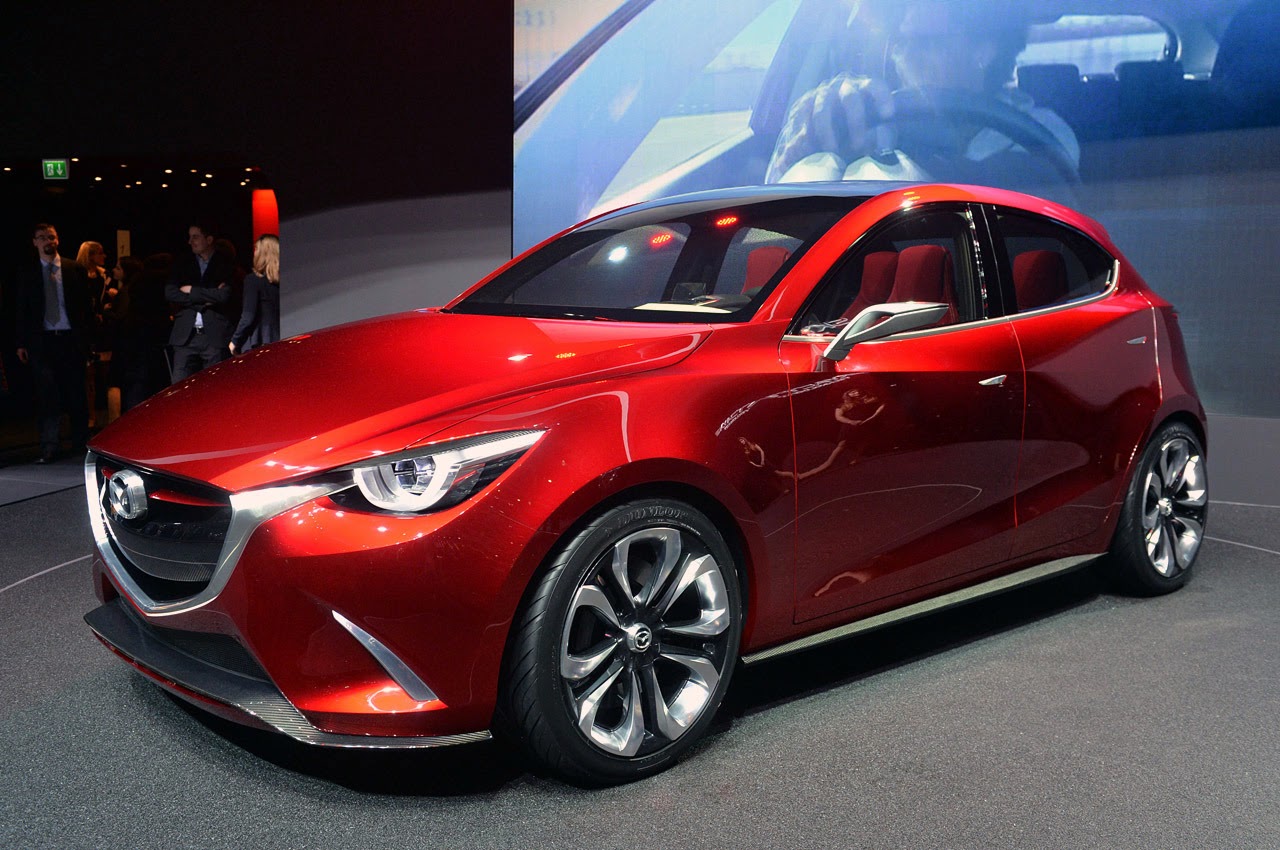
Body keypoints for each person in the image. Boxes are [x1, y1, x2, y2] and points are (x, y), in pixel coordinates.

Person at [765, 0, 1079, 188]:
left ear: (984, 50)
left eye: (928, 44)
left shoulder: (1044, 131)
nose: (906, 58)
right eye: (901, 44)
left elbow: (1027, 193)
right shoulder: (873, 119)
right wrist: (822, 132)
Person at [14, 223, 93, 463]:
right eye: (42, 237)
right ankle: (50, 446)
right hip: (42, 341)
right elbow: (21, 309)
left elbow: (86, 307)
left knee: (76, 393)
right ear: (34, 242)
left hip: (70, 339)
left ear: (57, 239)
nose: (48, 241)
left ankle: (80, 444)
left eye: (51, 237)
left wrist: (88, 341)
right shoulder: (28, 272)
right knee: (48, 394)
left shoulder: (74, 269)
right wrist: (21, 342)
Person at [165, 222, 235, 382]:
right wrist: (206, 298)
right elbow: (170, 293)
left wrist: (191, 290)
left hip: (213, 335)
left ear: (208, 239)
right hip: (185, 336)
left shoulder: (224, 263)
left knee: (214, 386)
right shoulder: (183, 263)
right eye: (190, 237)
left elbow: (223, 296)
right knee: (179, 386)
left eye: (195, 237)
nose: (190, 241)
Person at [77, 240, 115, 427]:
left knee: (106, 374)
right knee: (88, 376)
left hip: (102, 330)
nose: (104, 256)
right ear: (90, 255)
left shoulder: (103, 276)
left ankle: (109, 417)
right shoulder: (78, 275)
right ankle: (90, 416)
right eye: (100, 253)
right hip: (86, 329)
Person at [229, 234, 281, 355]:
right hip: (281, 338)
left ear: (262, 254)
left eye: (256, 249)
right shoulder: (284, 281)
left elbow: (248, 316)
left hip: (260, 341)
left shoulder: (253, 280)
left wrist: (235, 340)